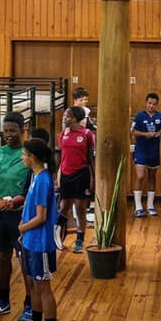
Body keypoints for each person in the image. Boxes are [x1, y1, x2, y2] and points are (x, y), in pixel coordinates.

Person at [11, 139, 62, 321]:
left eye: (24, 154)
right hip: (31, 241)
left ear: (33, 157)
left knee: (44, 288)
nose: (22, 157)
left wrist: (22, 228)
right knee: (33, 285)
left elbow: (41, 217)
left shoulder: (43, 181)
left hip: (40, 243)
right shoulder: (34, 177)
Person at [0, 113, 33, 321]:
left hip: (22, 214)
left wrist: (15, 201)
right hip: (1, 213)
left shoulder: (29, 154)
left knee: (25, 260)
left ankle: (31, 304)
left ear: (23, 130)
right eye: (5, 131)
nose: (8, 135)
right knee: (3, 257)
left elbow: (33, 186)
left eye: (13, 130)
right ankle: (3, 300)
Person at [57, 107, 96, 252]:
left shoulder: (86, 134)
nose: (65, 119)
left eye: (67, 116)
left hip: (81, 174)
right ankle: (58, 237)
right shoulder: (62, 134)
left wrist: (92, 177)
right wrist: (59, 175)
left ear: (75, 118)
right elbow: (62, 157)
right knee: (63, 208)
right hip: (66, 175)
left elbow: (91, 157)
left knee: (80, 209)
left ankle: (80, 239)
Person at [131, 93, 161, 218]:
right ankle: (138, 206)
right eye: (149, 103)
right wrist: (144, 134)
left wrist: (158, 133)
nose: (151, 106)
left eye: (154, 104)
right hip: (141, 150)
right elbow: (133, 131)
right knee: (140, 176)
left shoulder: (159, 116)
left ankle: (150, 206)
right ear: (146, 103)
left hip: (154, 151)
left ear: (157, 104)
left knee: (152, 177)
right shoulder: (139, 115)